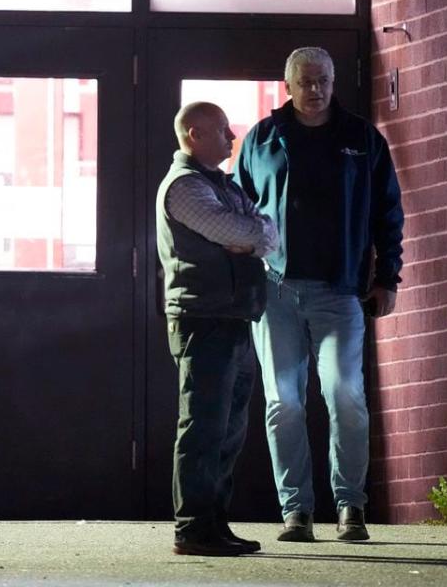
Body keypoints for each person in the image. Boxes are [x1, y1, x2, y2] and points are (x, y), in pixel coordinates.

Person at [234, 47, 404, 543]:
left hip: (339, 291)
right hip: (274, 290)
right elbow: (239, 211)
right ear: (288, 85)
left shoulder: (361, 139)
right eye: (306, 81)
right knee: (283, 401)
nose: (316, 90)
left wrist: (387, 277)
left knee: (344, 393)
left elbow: (388, 213)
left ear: (334, 82)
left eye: (324, 80)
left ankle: (350, 506)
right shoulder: (263, 140)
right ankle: (297, 512)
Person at [157, 102, 279, 556]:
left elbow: (266, 233)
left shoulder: (221, 186)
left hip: (232, 317)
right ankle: (193, 528)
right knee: (204, 426)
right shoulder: (185, 187)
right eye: (223, 131)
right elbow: (245, 232)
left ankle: (214, 522)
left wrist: (247, 236)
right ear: (194, 134)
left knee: (228, 429)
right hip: (203, 318)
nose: (232, 138)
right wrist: (247, 234)